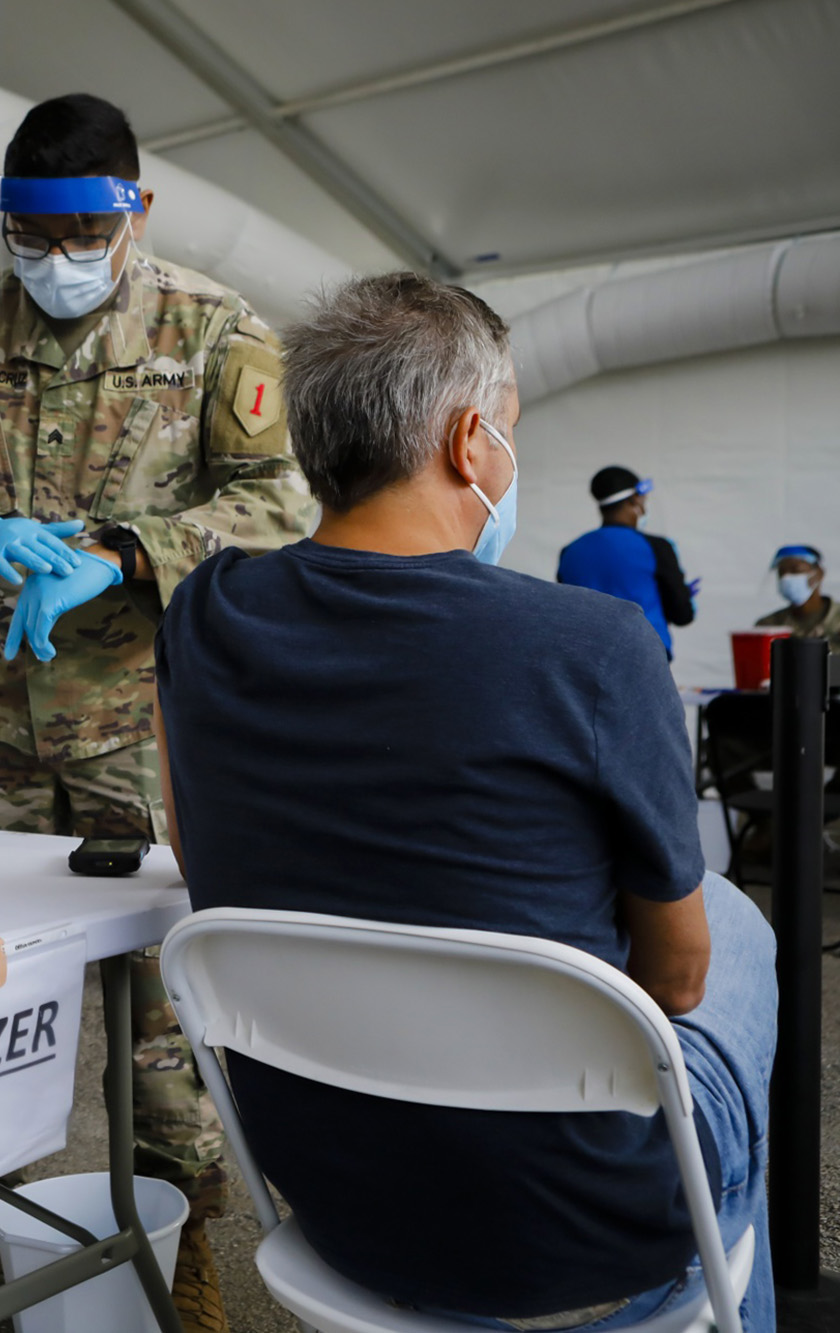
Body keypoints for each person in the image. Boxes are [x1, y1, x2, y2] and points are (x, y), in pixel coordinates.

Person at [156, 272, 773, 1332]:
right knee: (732, 923)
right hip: (577, 1224)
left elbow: (190, 837)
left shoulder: (202, 612)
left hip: (338, 1204)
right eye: (511, 430)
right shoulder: (586, 643)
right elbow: (672, 983)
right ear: (465, 440)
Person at [0, 92, 318, 1321]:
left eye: (78, 236)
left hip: (142, 729)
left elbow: (287, 499)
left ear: (134, 211)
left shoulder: (212, 333)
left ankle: (177, 1238)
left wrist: (130, 550)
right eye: (28, 238)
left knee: (161, 1009)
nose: (52, 262)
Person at [556, 465, 696, 658]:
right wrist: (684, 595)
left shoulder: (570, 551)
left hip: (584, 658)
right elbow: (682, 615)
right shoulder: (657, 547)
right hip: (643, 656)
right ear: (634, 501)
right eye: (643, 501)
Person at [756, 544, 840, 648]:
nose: (786, 578)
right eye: (781, 572)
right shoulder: (769, 627)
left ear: (819, 573)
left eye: (796, 570)